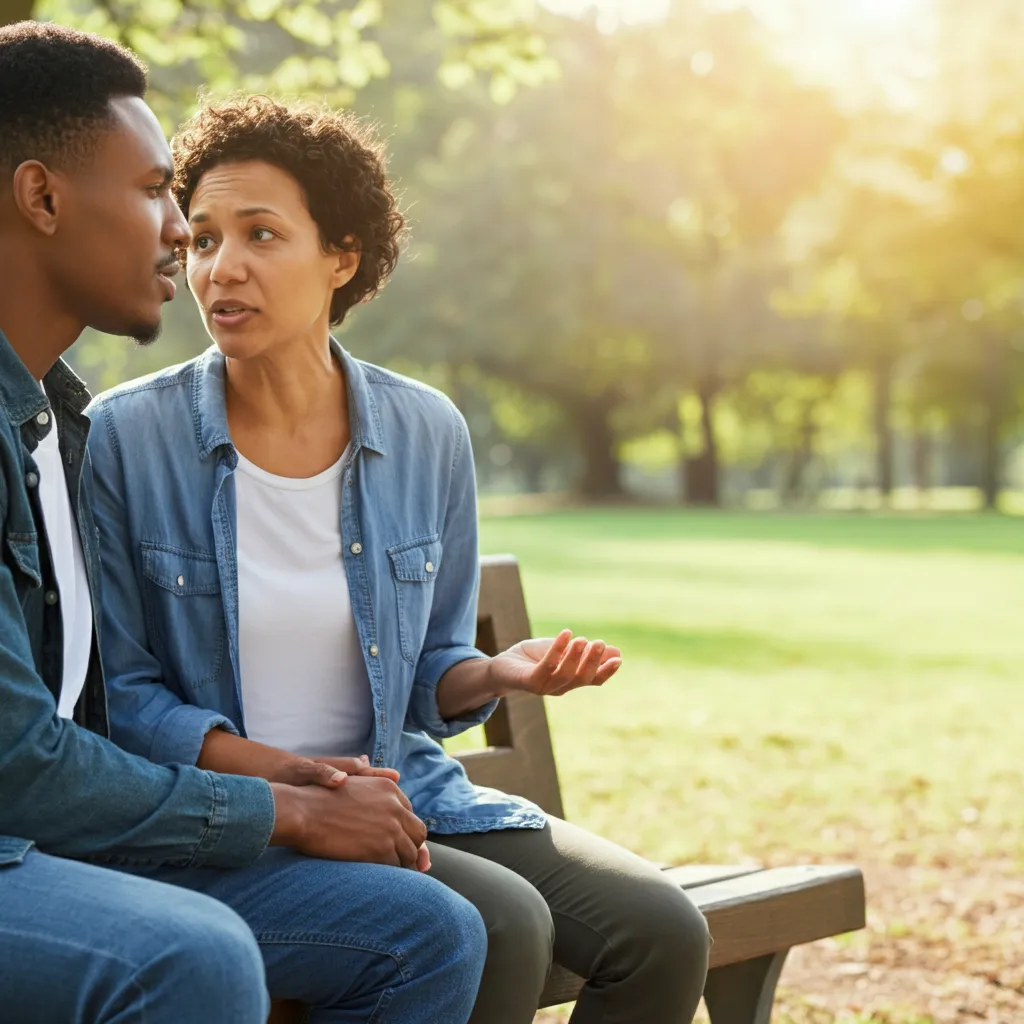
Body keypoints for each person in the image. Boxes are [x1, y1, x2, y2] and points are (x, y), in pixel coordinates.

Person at [87, 94, 712, 1024]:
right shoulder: (124, 439)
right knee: (500, 921)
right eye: (205, 237)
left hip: (405, 790)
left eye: (262, 235)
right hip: (231, 820)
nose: (223, 268)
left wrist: (494, 671)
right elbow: (126, 701)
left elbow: (427, 675)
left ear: (343, 255)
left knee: (663, 932)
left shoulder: (425, 432)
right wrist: (309, 785)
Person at [0, 23, 485, 1024]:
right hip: (37, 838)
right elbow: (25, 758)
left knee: (436, 929)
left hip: (77, 831)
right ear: (43, 199)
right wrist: (287, 803)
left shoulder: (56, 420)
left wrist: (306, 787)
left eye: (253, 232)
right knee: (195, 958)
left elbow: (71, 716)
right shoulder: (122, 434)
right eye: (155, 196)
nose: (187, 239)